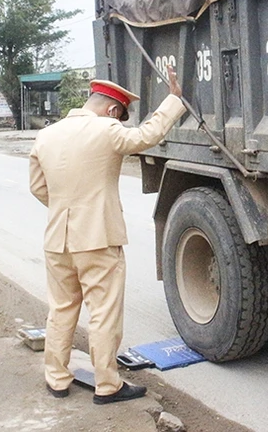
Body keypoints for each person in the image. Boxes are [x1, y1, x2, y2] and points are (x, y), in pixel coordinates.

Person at [29, 68, 185, 404]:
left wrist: (64, 211)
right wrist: (173, 99)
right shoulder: (107, 129)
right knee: (102, 312)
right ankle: (107, 385)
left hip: (58, 240)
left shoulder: (46, 136)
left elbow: (38, 188)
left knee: (61, 309)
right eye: (121, 114)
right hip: (98, 239)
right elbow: (146, 136)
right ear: (114, 109)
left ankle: (56, 379)